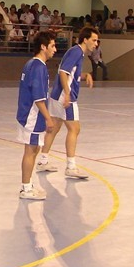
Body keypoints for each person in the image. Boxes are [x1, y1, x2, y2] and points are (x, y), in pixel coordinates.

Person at [36, 27, 99, 179]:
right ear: (85, 39)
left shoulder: (77, 53)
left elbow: (70, 74)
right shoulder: (76, 52)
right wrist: (68, 94)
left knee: (55, 127)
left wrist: (84, 75)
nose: (96, 44)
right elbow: (63, 72)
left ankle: (43, 161)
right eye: (94, 40)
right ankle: (71, 167)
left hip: (58, 94)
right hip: (65, 96)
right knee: (74, 128)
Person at [15, 31, 57, 200]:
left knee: (35, 149)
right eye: (52, 46)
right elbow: (39, 98)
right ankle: (25, 188)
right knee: (31, 150)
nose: (55, 49)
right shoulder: (39, 67)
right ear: (43, 46)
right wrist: (48, 118)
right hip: (32, 115)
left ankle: (28, 184)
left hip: (28, 114)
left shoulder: (31, 64)